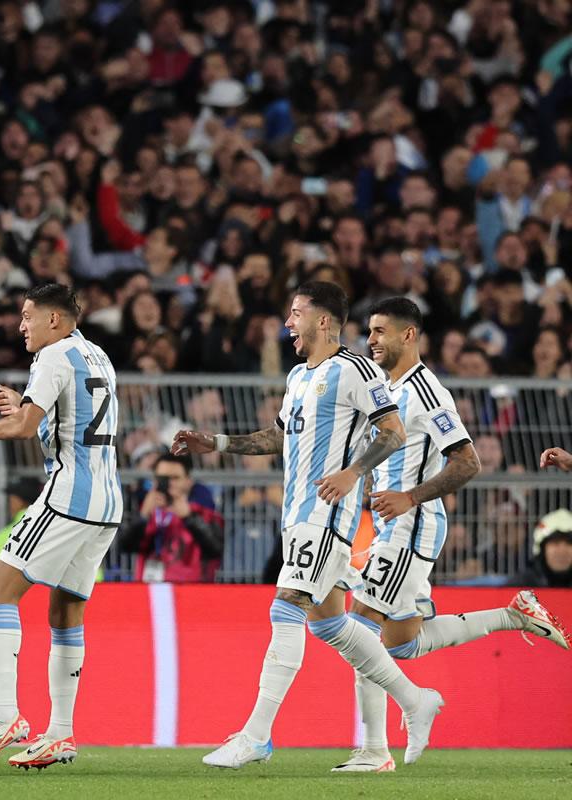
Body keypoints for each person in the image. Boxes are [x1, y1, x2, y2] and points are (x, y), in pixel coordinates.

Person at [172, 281, 443, 769]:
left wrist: (353, 472)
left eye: (295, 314)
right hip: (296, 516)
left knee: (286, 607)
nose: (287, 324)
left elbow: (394, 431)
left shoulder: (356, 369)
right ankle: (415, 699)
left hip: (327, 514)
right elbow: (278, 436)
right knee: (331, 625)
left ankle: (256, 735)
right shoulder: (299, 376)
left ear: (323, 320)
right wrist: (215, 442)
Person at [335, 297, 567, 773]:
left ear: (408, 335)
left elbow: (468, 462)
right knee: (401, 643)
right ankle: (512, 615)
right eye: (369, 331)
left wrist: (410, 497)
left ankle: (377, 749)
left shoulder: (427, 392)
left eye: (380, 331)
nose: (371, 340)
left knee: (358, 626)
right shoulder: (382, 387)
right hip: (392, 521)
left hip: (411, 523)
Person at [0, 283, 123, 769]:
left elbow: (25, 430)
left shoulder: (52, 356)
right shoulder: (98, 357)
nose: (21, 325)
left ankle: (6, 715)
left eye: (29, 316)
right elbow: (68, 424)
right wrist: (28, 403)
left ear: (55, 320)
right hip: (107, 502)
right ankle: (62, 734)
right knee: (65, 613)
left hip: (67, 497)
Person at [123, 454, 224, 583]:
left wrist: (189, 518)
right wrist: (143, 517)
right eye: (163, 478)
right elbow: (126, 547)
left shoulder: (202, 511)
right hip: (150, 590)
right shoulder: (148, 510)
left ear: (189, 481)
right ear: (154, 480)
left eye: (175, 478)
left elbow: (215, 550)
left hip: (191, 591)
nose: (169, 483)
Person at [0, 477, 44, 581]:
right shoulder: (33, 525)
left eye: (11, 499)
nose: (9, 504)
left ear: (20, 501)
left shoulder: (21, 527)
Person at [513, 510, 572, 588]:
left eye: (569, 543)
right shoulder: (519, 587)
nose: (562, 551)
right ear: (542, 550)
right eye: (555, 543)